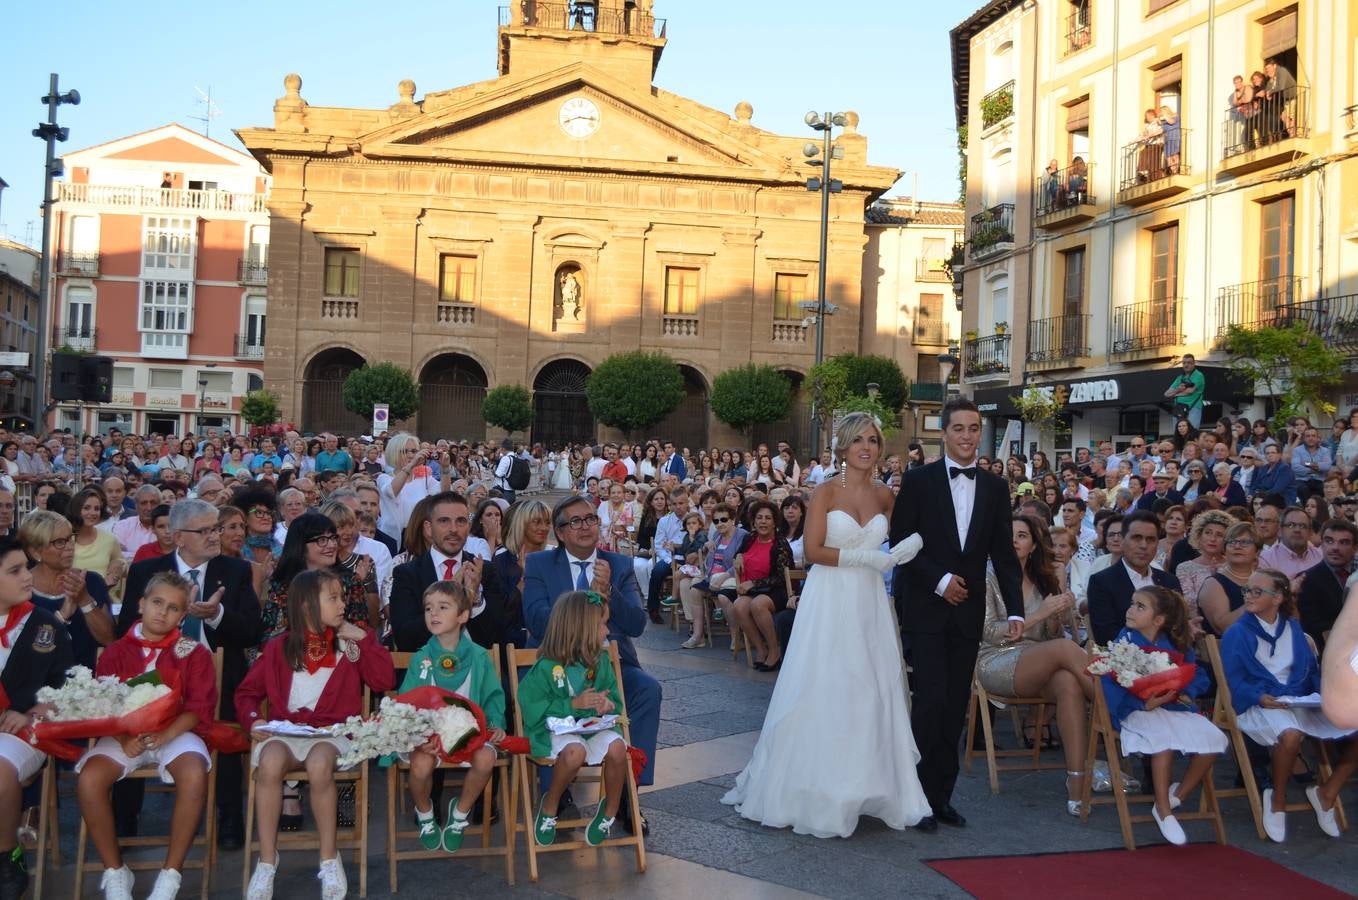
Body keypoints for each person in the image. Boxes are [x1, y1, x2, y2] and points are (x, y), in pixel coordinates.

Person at [722, 412, 927, 837]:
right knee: (827, 683)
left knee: (870, 688)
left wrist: (910, 545)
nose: (867, 447)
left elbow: (915, 531)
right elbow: (812, 551)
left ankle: (871, 785)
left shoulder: (887, 496)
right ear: (843, 447)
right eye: (858, 440)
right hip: (830, 597)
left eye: (873, 440)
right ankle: (818, 786)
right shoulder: (825, 492)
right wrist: (864, 557)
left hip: (870, 601)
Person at [889, 400, 1021, 832]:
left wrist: (1016, 609)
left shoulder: (995, 488)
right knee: (929, 703)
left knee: (954, 708)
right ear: (943, 433)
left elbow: (1003, 553)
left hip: (968, 615)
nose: (967, 436)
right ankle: (916, 799)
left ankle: (941, 798)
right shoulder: (919, 481)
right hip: (927, 608)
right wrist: (939, 581)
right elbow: (902, 545)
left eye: (974, 429)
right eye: (959, 428)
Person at [238, 568, 394, 898]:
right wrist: (254, 721)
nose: (343, 604)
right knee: (269, 762)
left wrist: (364, 638)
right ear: (307, 605)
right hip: (287, 732)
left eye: (342, 597)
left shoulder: (349, 644)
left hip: (332, 734)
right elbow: (247, 693)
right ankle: (267, 861)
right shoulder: (279, 647)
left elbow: (383, 681)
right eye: (333, 598)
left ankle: (328, 857)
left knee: (320, 764)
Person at [115, 498, 262, 849]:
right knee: (131, 712)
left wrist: (215, 615)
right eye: (206, 530)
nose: (216, 536)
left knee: (225, 714)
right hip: (155, 679)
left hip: (217, 675)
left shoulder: (236, 571)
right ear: (179, 537)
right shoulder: (145, 572)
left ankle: (228, 816)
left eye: (217, 528)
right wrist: (171, 620)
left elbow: (253, 631)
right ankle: (125, 815)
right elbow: (126, 630)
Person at [77, 572, 214, 900]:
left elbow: (198, 706)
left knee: (194, 772)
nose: (162, 612)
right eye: (157, 603)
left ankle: (171, 873)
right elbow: (104, 705)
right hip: (125, 734)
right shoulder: (115, 652)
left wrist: (167, 733)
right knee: (89, 780)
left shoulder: (192, 652)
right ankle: (115, 870)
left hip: (176, 730)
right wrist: (123, 738)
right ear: (140, 604)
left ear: (183, 616)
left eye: (173, 608)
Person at [523, 495, 660, 803]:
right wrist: (582, 610)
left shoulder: (619, 564)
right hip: (554, 666)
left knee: (647, 690)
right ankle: (556, 793)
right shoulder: (540, 563)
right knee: (546, 695)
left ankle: (628, 792)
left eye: (590, 519)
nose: (585, 526)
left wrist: (609, 592)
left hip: (609, 665)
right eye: (575, 521)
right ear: (559, 532)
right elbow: (534, 619)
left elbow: (637, 624)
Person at [1221, 568, 1358, 843]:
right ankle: (1277, 798)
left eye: (1258, 591)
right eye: (1247, 590)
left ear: (1278, 597)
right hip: (1259, 703)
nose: (1249, 596)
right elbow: (1235, 678)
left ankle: (1327, 793)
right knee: (1290, 735)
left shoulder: (1294, 629)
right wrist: (1259, 697)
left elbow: (1310, 672)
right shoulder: (1238, 632)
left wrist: (1319, 696)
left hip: (1295, 699)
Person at [976, 514, 1093, 814]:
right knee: (1066, 650)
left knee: (1068, 683)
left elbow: (1050, 635)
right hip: (995, 659)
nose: (1014, 541)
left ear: (1033, 544)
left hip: (1038, 657)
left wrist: (1056, 614)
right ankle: (1113, 701)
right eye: (1009, 535)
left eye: (1022, 535)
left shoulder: (1044, 579)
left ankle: (1077, 782)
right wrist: (1041, 613)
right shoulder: (985, 575)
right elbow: (988, 632)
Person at [1100, 585, 1227, 845]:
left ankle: (1177, 795)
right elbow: (1110, 682)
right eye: (1132, 603)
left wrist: (1185, 690)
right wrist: (1140, 705)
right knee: (1163, 741)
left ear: (1158, 620)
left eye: (1140, 606)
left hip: (1172, 706)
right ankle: (1163, 809)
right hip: (1139, 710)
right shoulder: (1124, 642)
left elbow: (1197, 674)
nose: (1130, 610)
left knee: (1214, 740)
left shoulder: (1177, 643)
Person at [396, 580, 505, 854]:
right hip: (429, 736)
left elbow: (493, 696)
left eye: (443, 607)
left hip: (469, 733)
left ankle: (460, 814)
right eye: (428, 608)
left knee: (486, 758)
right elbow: (406, 704)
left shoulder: (480, 657)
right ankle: (424, 812)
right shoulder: (421, 659)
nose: (433, 614)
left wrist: (495, 725)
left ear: (463, 615)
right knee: (420, 767)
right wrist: (418, 737)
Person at [519, 590, 630, 848]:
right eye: (603, 624)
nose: (607, 630)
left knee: (617, 747)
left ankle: (610, 810)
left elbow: (615, 698)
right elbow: (530, 704)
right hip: (556, 730)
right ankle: (551, 804)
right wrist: (571, 704)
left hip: (590, 726)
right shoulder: (546, 666)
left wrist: (607, 703)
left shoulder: (599, 661)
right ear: (581, 629)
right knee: (574, 752)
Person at [0, 538, 74, 898]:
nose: (26, 577)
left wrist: (31, 709)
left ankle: (6, 855)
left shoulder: (46, 625)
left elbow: (67, 686)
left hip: (26, 731)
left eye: (25, 567)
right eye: (14, 571)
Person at [388, 492, 513, 655]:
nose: (453, 529)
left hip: (475, 672)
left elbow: (495, 638)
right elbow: (405, 639)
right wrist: (453, 598)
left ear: (468, 527)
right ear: (428, 528)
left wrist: (474, 600)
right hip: (426, 671)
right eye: (444, 521)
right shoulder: (407, 574)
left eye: (461, 521)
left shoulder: (485, 571)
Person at [1087, 511, 1183, 644]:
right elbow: (1106, 636)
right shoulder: (1101, 582)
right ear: (1123, 541)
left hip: (1173, 659)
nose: (1144, 545)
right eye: (1137, 538)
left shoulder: (1169, 581)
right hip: (1126, 660)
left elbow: (1179, 628)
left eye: (1150, 539)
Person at [730, 501, 795, 671]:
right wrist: (738, 557)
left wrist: (753, 583)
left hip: (778, 591)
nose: (763, 522)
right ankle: (761, 649)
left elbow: (781, 578)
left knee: (757, 604)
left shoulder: (780, 544)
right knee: (739, 605)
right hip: (754, 590)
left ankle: (774, 652)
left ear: (775, 522)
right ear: (754, 520)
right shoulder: (750, 538)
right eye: (759, 518)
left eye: (768, 518)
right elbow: (739, 553)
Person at [1296, 519, 1358, 653]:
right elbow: (1313, 627)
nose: (1335, 547)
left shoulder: (1356, 575)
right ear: (1322, 545)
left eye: (1344, 542)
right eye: (1329, 541)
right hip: (1329, 653)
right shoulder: (1306, 580)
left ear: (1355, 548)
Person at [1197, 521, 1260, 636]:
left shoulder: (1264, 581)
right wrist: (1256, 601)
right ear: (1225, 550)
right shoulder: (1213, 584)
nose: (1237, 546)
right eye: (1232, 542)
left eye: (1244, 542)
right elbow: (1223, 628)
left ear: (1257, 551)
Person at [1164, 354, 1206, 429]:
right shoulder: (1179, 378)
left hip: (1193, 408)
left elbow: (1190, 391)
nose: (1186, 365)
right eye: (1184, 363)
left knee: (1191, 433)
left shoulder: (1198, 375)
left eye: (1189, 363)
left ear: (1194, 364)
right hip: (1179, 409)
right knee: (1177, 434)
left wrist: (1174, 394)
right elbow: (1166, 394)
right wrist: (1178, 390)